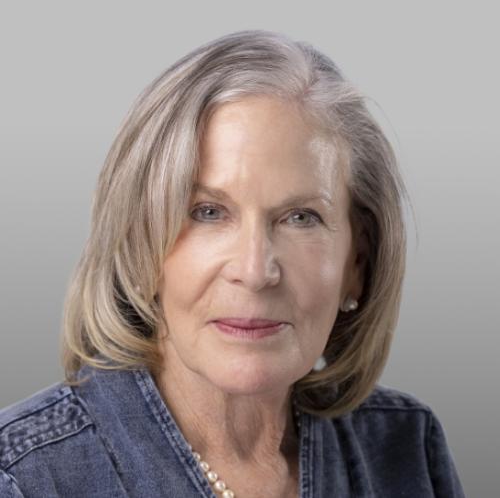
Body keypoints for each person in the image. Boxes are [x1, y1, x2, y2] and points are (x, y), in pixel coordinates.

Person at [0, 29, 465, 497]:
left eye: (300, 217)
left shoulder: (405, 452)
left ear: (357, 265)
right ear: (139, 245)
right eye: (207, 212)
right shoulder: (25, 478)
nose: (255, 270)